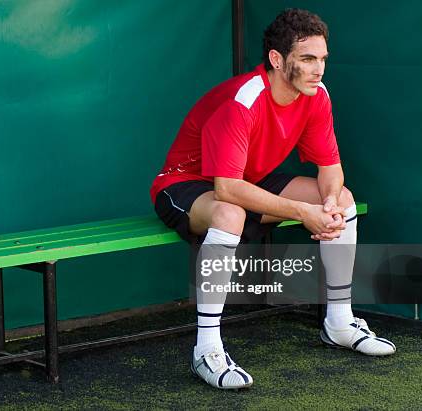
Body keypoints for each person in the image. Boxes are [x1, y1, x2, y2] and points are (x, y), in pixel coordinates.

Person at [150, 8, 396, 390]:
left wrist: (327, 203)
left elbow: (330, 167)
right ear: (277, 60)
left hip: (250, 180)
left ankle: (339, 322)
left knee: (344, 199)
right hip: (186, 185)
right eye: (308, 59)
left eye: (323, 60)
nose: (319, 70)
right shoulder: (242, 100)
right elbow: (227, 189)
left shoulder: (316, 95)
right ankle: (207, 349)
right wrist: (303, 212)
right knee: (230, 214)